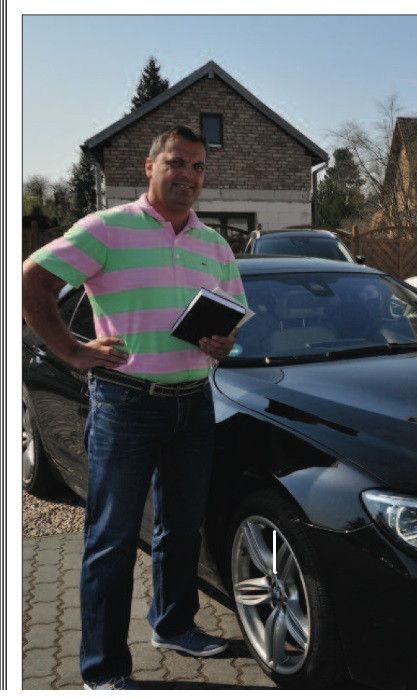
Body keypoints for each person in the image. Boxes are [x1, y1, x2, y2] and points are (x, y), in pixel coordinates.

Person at [22, 125, 246, 690]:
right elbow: (32, 281)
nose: (188, 175)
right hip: (125, 404)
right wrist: (73, 351)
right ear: (150, 167)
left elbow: (233, 321)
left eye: (198, 166)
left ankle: (173, 626)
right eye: (177, 162)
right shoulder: (107, 229)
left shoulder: (215, 245)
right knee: (112, 539)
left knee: (182, 528)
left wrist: (223, 343)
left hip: (193, 402)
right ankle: (103, 669)